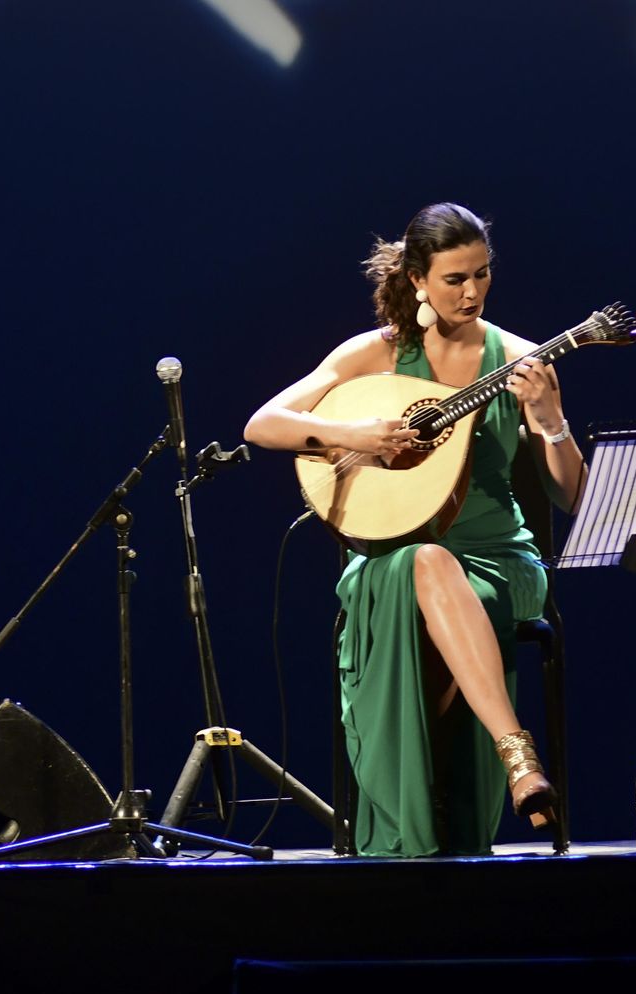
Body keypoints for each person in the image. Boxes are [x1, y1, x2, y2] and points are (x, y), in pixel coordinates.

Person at [243, 202, 586, 857]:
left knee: (430, 566)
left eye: (482, 275)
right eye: (455, 278)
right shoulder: (374, 355)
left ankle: (504, 768)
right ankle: (511, 760)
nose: (472, 292)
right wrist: (354, 434)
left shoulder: (515, 357)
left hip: (496, 565)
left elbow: (573, 496)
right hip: (390, 558)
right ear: (417, 279)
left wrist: (549, 418)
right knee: (421, 563)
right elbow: (262, 426)